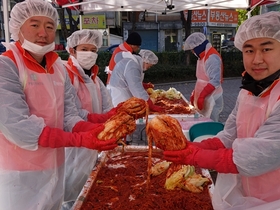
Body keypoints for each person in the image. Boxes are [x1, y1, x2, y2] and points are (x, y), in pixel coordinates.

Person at [0, 1, 118, 209]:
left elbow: (69, 115)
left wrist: (99, 131)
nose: (43, 33)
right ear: (17, 28)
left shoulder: (57, 68)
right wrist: (79, 139)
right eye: (34, 25)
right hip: (20, 174)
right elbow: (18, 127)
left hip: (56, 166)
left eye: (49, 26)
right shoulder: (7, 65)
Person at [163, 11, 280, 210]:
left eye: (266, 49)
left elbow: (260, 155)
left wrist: (196, 157)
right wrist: (198, 147)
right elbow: (229, 134)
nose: (257, 59)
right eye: (249, 51)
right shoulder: (248, 92)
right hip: (247, 191)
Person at [62, 29, 115, 209]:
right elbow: (72, 114)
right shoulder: (65, 75)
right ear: (72, 50)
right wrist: (103, 121)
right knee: (69, 191)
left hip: (94, 142)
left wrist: (116, 118)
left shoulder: (94, 79)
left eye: (93, 50)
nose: (90, 54)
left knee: (88, 187)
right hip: (72, 145)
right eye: (85, 49)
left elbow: (107, 106)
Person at [184, 32, 224, 122]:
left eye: (193, 49)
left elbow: (215, 81)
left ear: (199, 46)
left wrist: (202, 95)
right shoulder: (202, 56)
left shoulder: (212, 57)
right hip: (204, 96)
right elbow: (201, 79)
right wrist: (195, 93)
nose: (193, 52)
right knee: (202, 121)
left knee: (211, 123)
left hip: (212, 98)